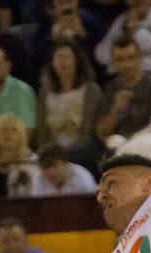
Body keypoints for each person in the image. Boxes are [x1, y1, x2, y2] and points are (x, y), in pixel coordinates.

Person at [36, 37, 101, 171]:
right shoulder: (45, 93)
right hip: (51, 154)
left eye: (68, 57)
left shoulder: (90, 90)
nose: (63, 61)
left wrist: (65, 155)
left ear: (77, 61)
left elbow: (88, 132)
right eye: (59, 57)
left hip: (82, 153)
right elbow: (42, 131)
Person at [93, 36, 151, 147]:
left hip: (148, 146)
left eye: (131, 58)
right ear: (113, 63)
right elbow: (101, 133)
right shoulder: (111, 88)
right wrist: (115, 110)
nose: (126, 65)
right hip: (117, 148)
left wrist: (132, 142)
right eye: (120, 59)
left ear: (140, 58)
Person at [94, 0, 151, 81]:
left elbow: (146, 46)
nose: (139, 3)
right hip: (121, 76)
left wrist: (133, 31)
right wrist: (121, 60)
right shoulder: (121, 20)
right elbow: (101, 54)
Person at [0, 113, 41, 198]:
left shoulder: (31, 163)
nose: (8, 133)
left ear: (21, 137)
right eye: (4, 130)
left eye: (14, 130)